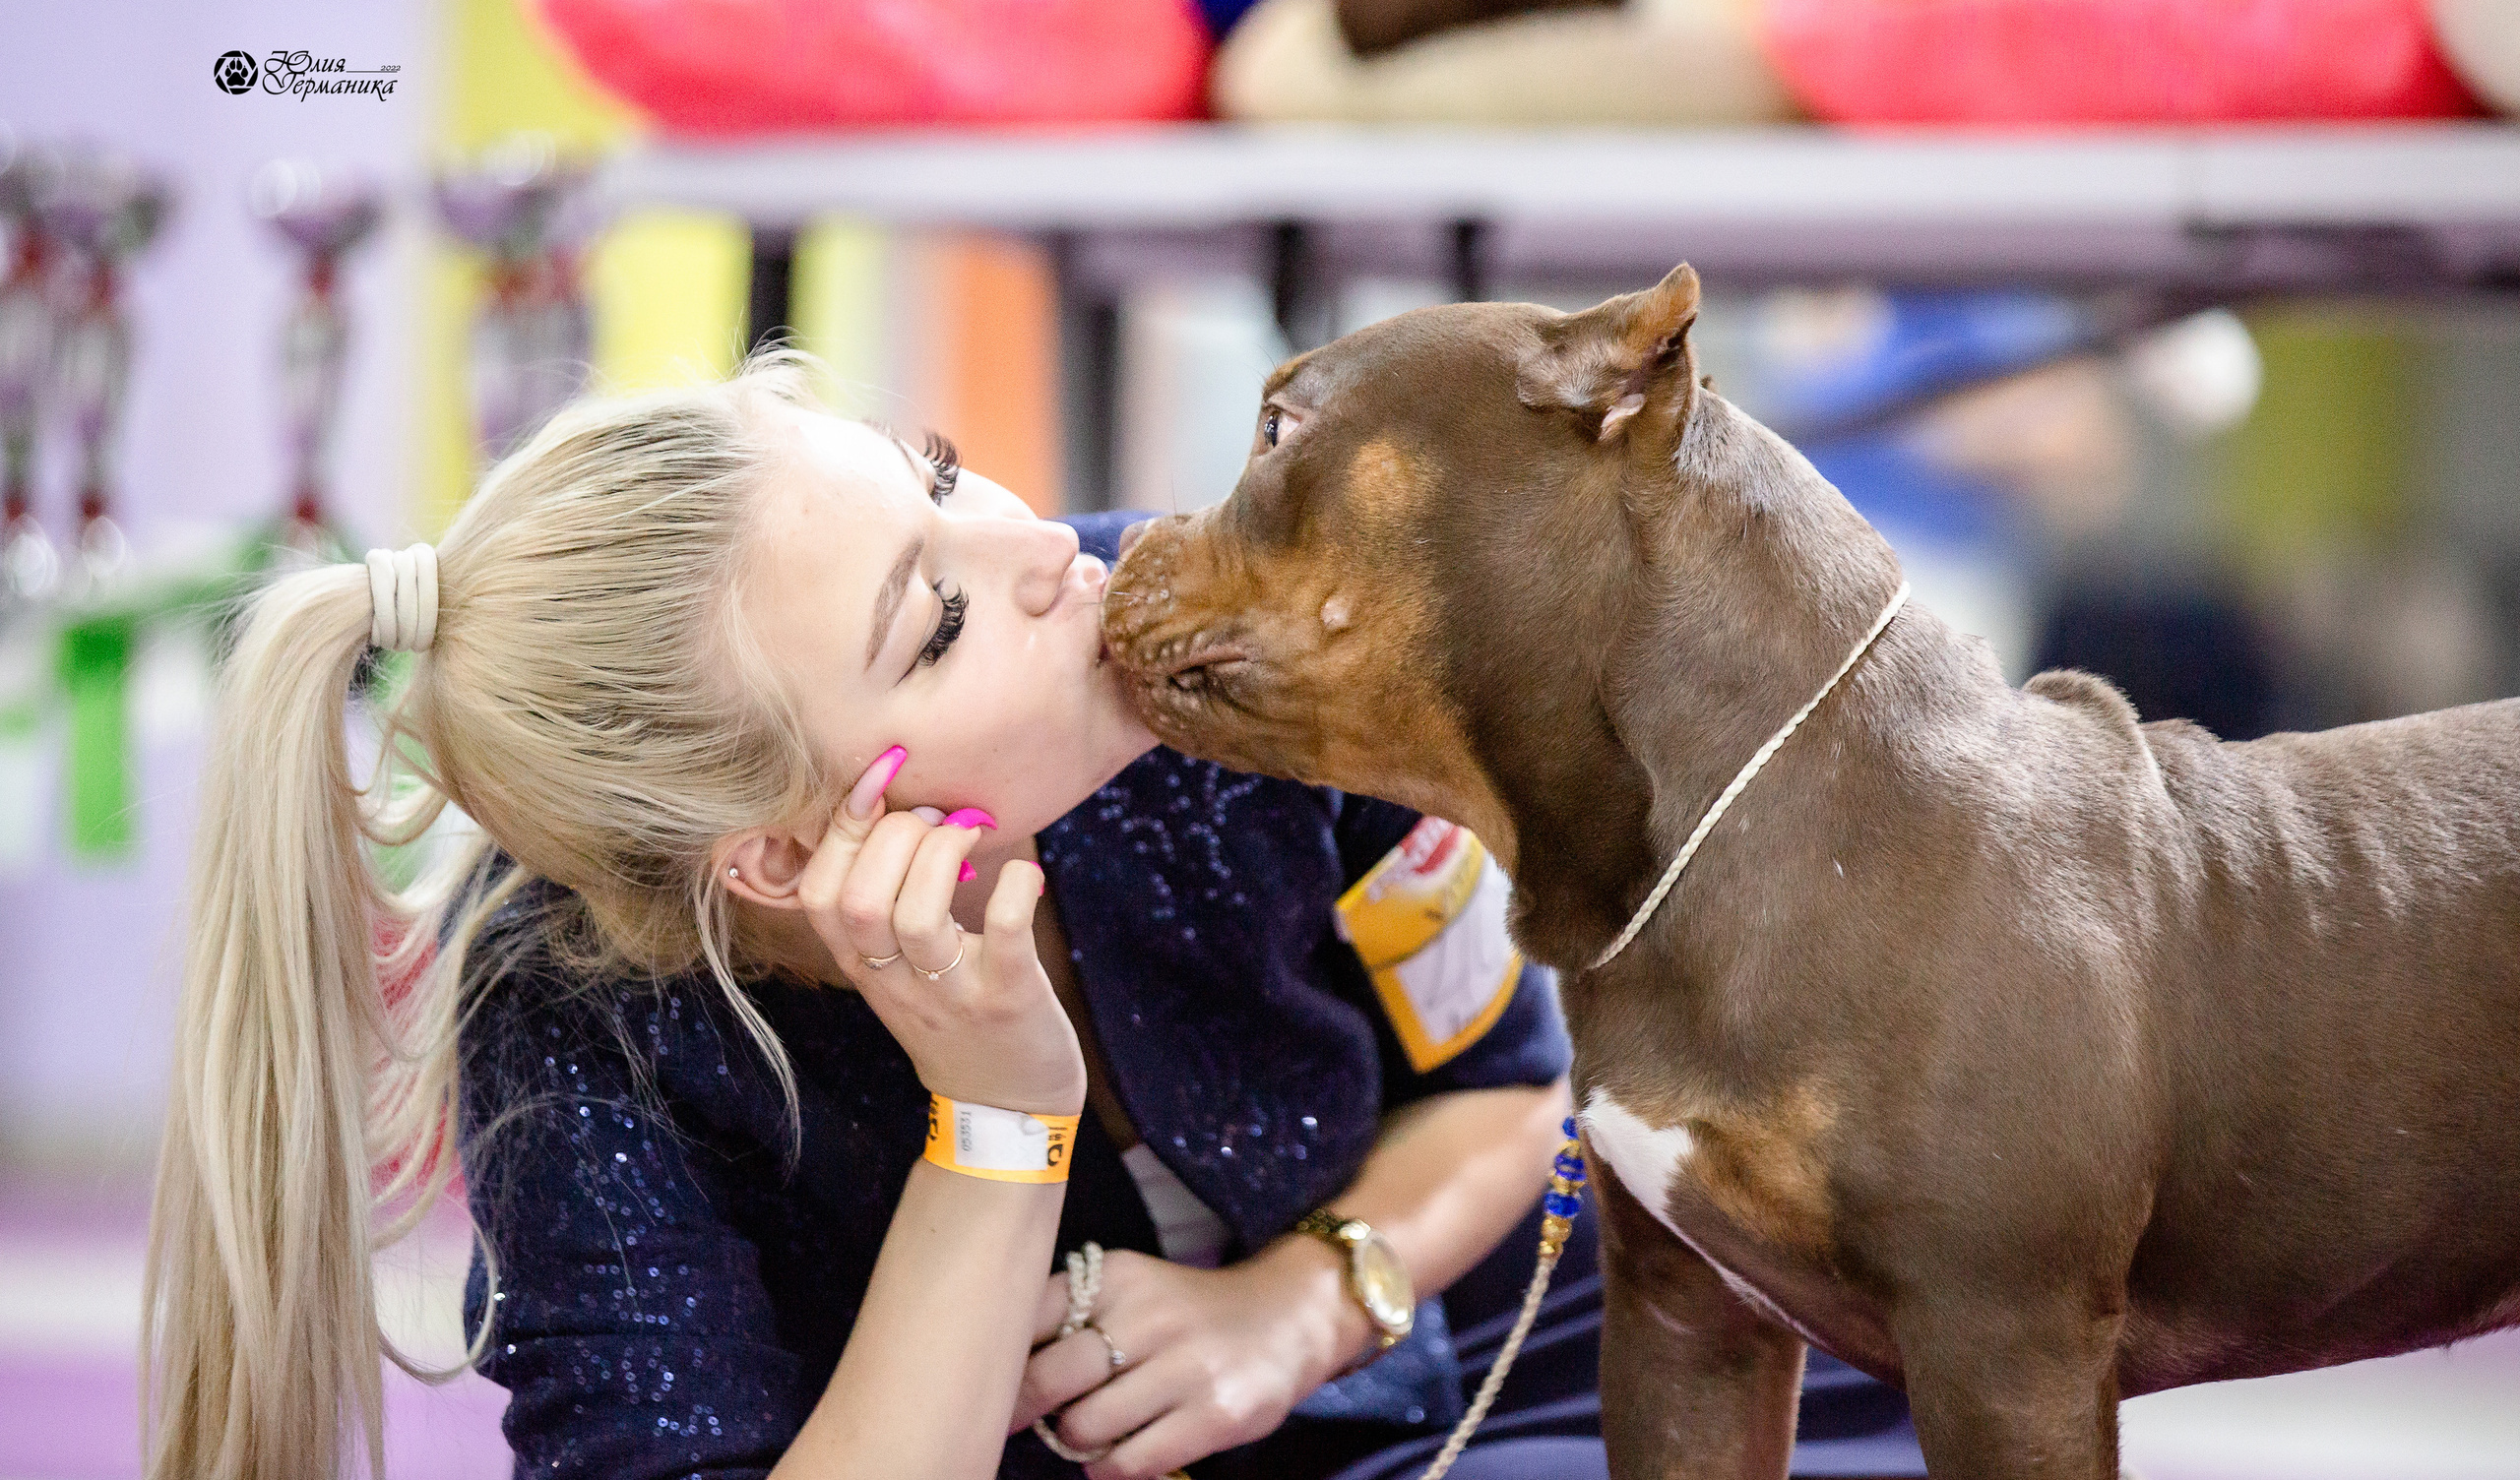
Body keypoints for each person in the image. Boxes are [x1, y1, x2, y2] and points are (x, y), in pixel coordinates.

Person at [143, 358, 1927, 1480]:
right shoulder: (574, 1019)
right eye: (933, 627)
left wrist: (1300, 1312)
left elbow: (1505, 1087)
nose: (1043, 553)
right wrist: (1000, 1119)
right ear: (777, 854)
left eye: (933, 474)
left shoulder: (1221, 627)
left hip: (1497, 1370)